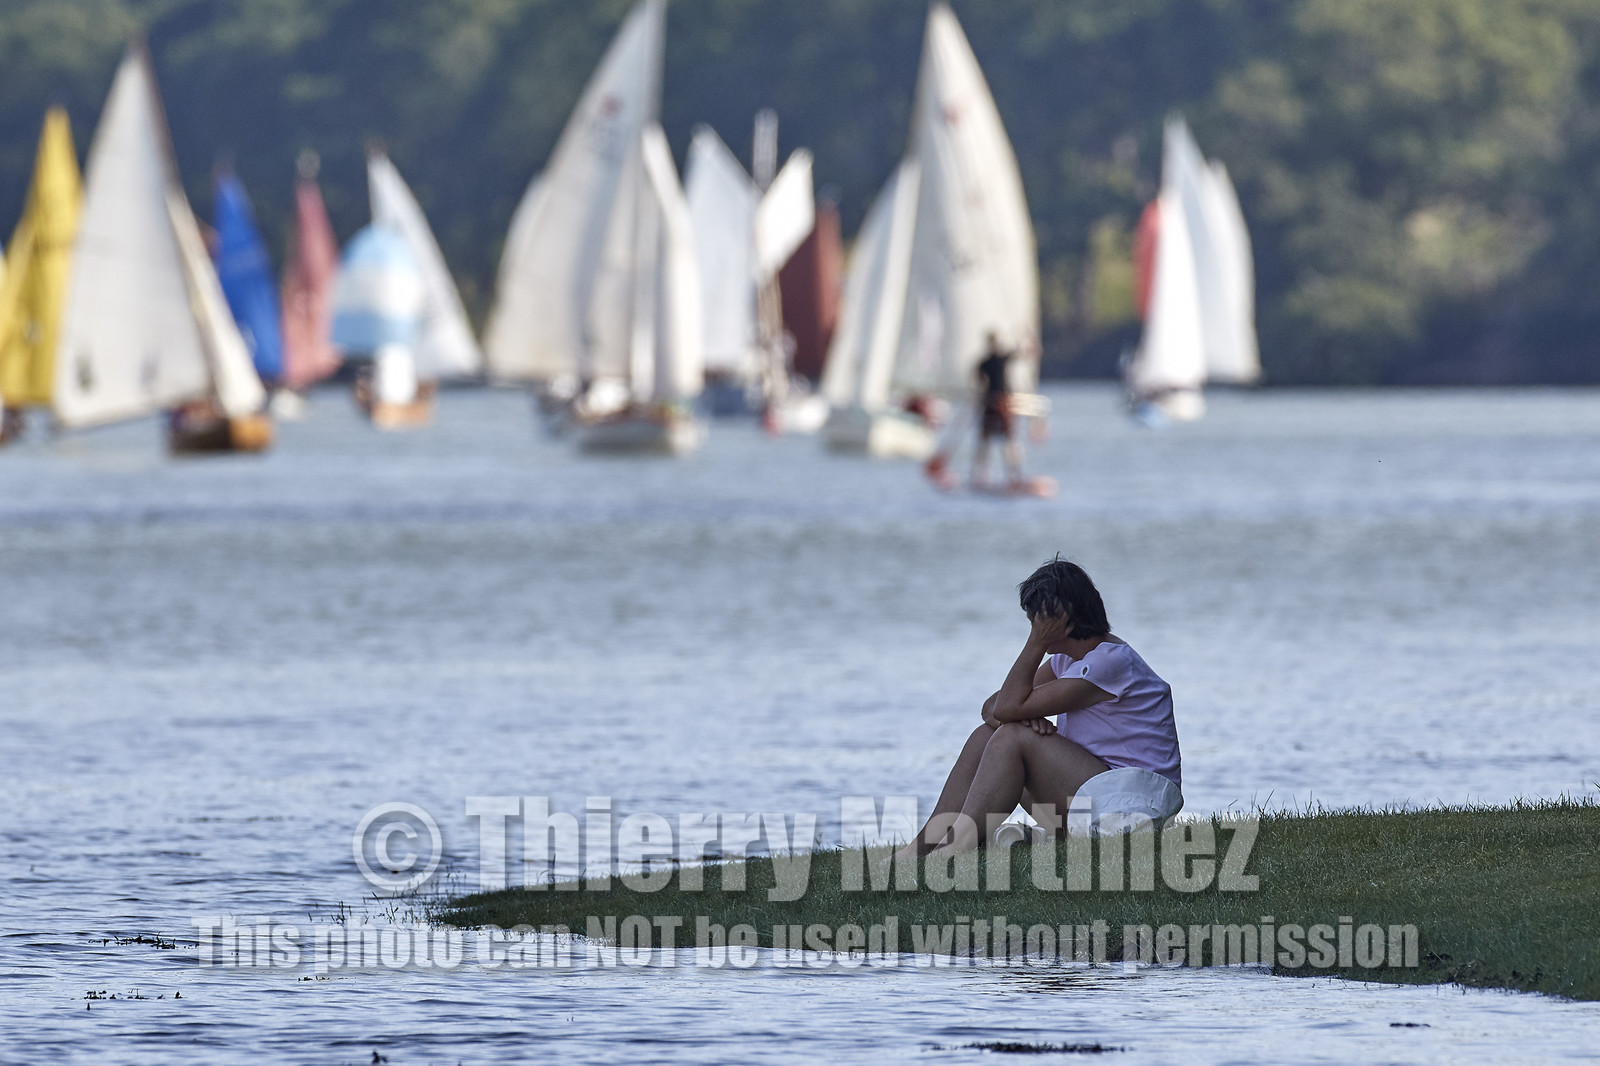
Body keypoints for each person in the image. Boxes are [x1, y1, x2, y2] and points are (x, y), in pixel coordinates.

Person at [894, 557, 1181, 861]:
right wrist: (1027, 715)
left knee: (1012, 737)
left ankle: (953, 850)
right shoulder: (1068, 661)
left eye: (1038, 619)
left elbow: (1006, 708)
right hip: (1098, 794)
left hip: (1132, 806)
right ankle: (919, 849)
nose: (1033, 625)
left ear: (1063, 619)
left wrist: (1036, 645)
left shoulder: (1109, 663)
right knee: (987, 736)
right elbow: (991, 709)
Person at [972, 331, 1024, 489]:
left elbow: (978, 383)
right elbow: (979, 383)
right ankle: (981, 476)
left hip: (998, 402)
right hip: (997, 402)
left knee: (1003, 440)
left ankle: (1013, 476)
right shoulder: (989, 362)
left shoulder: (991, 361)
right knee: (992, 439)